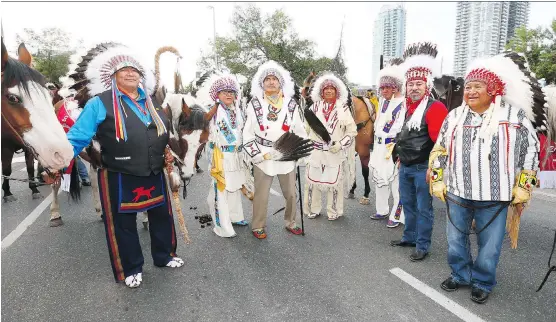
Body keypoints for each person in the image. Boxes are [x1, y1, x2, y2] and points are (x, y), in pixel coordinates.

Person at [45, 46, 184, 288]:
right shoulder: (100, 103)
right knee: (123, 223)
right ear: (113, 76)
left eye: (134, 70)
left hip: (153, 171)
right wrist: (58, 164)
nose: (130, 74)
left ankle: (164, 256)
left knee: (162, 216)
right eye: (124, 70)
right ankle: (131, 268)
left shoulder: (152, 102)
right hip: (119, 174)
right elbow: (78, 137)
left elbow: (161, 132)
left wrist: (167, 151)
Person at [429, 52, 541, 303]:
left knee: (490, 246)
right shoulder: (455, 116)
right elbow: (440, 150)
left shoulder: (514, 117)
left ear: (492, 89)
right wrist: (437, 178)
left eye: (477, 86)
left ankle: (482, 281)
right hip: (458, 192)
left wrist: (524, 186)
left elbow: (531, 151)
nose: (470, 91)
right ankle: (459, 274)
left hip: (496, 195)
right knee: (455, 240)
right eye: (467, 87)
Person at [390, 43, 448, 261]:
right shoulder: (408, 108)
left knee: (424, 209)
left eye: (418, 84)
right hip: (405, 166)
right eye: (411, 84)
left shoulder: (435, 108)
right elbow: (403, 136)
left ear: (427, 86)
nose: (414, 88)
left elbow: (440, 144)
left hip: (423, 168)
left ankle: (422, 245)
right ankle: (410, 237)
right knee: (409, 204)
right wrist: (399, 157)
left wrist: (434, 170)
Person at [242, 60, 308, 239]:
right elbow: (247, 133)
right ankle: (258, 225)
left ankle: (291, 222)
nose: (271, 82)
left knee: (291, 194)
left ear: (281, 83)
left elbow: (299, 129)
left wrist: (299, 153)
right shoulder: (253, 104)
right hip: (263, 154)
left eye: (274, 79)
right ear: (262, 84)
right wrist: (256, 154)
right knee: (261, 195)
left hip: (286, 153)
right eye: (267, 79)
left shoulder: (291, 104)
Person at [196, 72, 249, 237]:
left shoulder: (238, 110)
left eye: (231, 92)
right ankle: (222, 226)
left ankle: (235, 216)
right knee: (221, 188)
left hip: (236, 155)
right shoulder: (212, 111)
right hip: (219, 155)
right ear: (217, 94)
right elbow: (201, 122)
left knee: (235, 185)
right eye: (224, 92)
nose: (228, 95)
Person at [303, 72, 357, 221]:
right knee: (313, 181)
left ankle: (334, 211)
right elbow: (305, 130)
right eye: (325, 88)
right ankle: (312, 209)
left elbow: (352, 131)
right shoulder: (314, 107)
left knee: (334, 183)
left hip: (334, 151)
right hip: (316, 151)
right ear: (321, 91)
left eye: (331, 88)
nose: (328, 91)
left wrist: (340, 145)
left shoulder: (343, 109)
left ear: (337, 91)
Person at [369, 59, 406, 228]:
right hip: (378, 146)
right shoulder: (383, 101)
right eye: (382, 87)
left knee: (395, 182)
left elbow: (399, 128)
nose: (383, 90)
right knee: (379, 179)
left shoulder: (403, 103)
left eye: (387, 88)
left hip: (392, 146)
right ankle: (382, 210)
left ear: (395, 88)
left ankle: (397, 215)